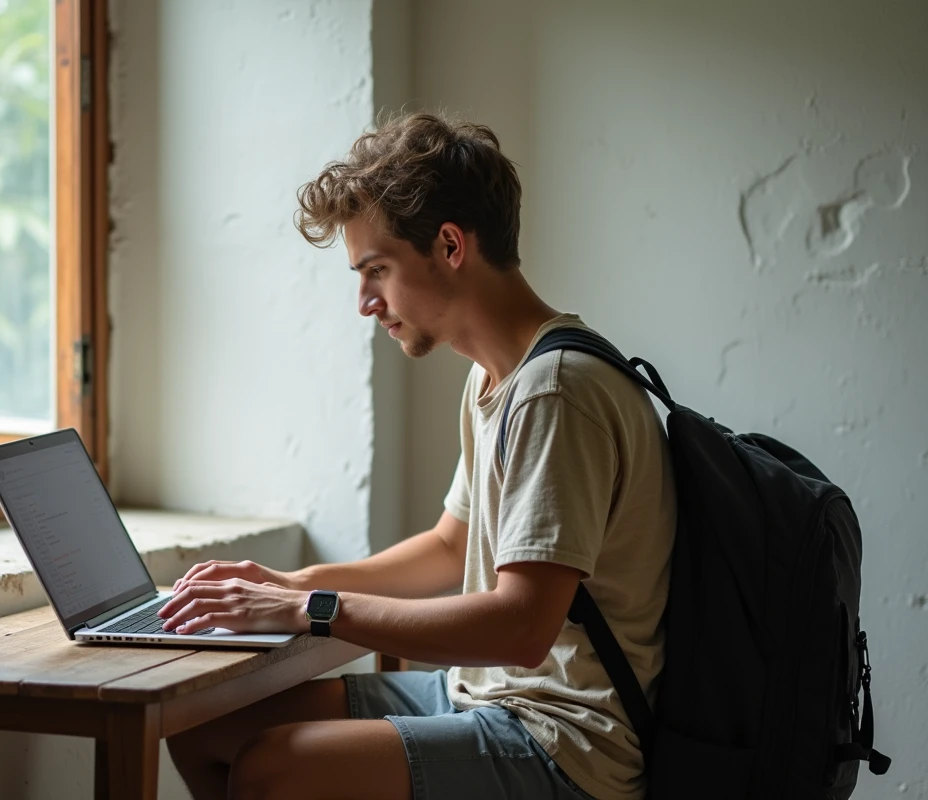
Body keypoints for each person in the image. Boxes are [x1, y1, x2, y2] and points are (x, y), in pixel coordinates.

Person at [159, 112, 676, 800]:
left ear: (451, 245)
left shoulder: (555, 393)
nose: (365, 303)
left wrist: (311, 608)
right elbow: (445, 547)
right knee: (199, 725)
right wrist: (292, 581)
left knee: (274, 767)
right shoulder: (497, 378)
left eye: (376, 270)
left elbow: (522, 627)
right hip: (483, 697)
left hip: (566, 742)